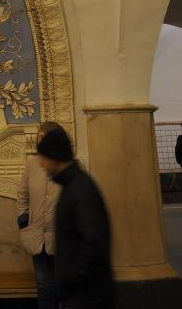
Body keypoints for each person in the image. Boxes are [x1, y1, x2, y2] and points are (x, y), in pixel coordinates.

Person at [37, 129, 114, 309]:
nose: (41, 164)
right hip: (81, 295)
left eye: (43, 157)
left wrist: (70, 279)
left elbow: (94, 243)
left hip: (86, 297)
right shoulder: (73, 185)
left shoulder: (79, 190)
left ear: (54, 156)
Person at [17, 121, 63, 309]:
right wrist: (23, 220)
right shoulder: (32, 163)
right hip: (37, 236)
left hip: (62, 237)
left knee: (64, 287)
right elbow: (23, 195)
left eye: (43, 138)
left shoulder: (69, 164)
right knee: (44, 287)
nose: (39, 142)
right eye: (38, 138)